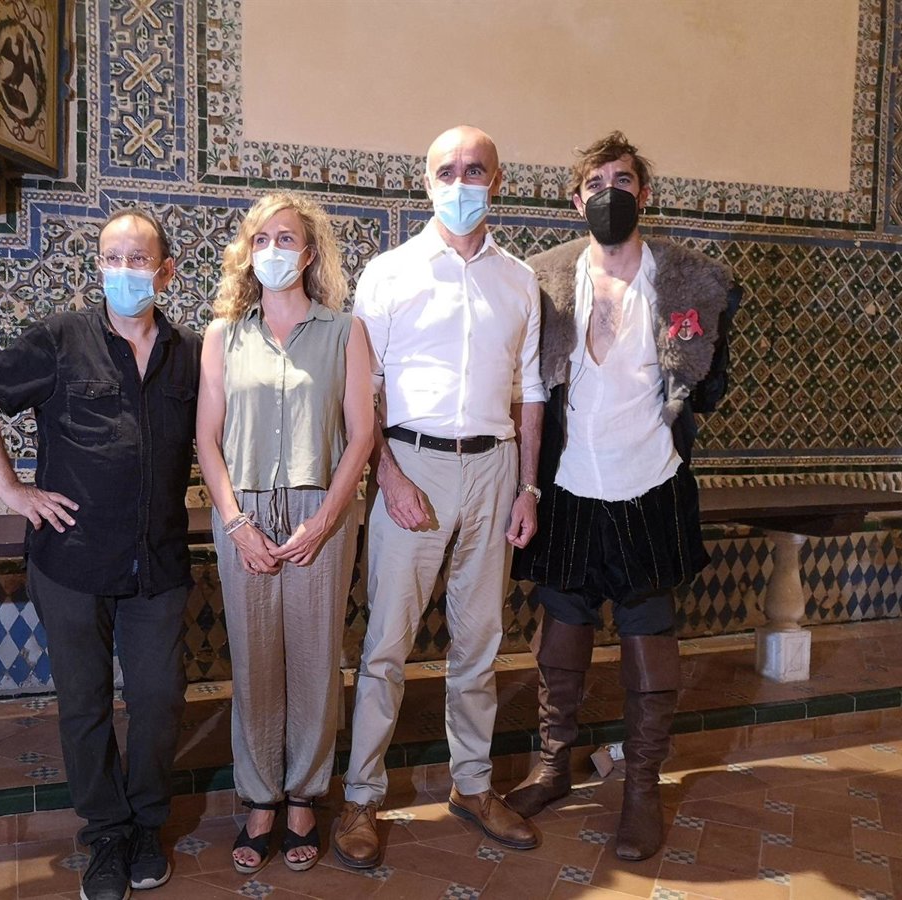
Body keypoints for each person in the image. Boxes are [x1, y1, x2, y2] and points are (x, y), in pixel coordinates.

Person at [0, 209, 201, 900]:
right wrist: (12, 490)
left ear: (165, 271)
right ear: (98, 267)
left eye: (138, 258)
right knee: (84, 704)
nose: (124, 270)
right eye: (111, 258)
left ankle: (147, 823)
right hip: (71, 562)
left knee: (158, 699)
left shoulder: (191, 352)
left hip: (158, 562)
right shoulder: (62, 338)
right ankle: (106, 833)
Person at [507, 131, 740, 861]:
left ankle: (642, 786)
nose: (609, 193)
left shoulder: (693, 282)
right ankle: (553, 764)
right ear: (575, 199)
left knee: (649, 638)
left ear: (645, 193)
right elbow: (525, 387)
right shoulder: (542, 279)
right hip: (568, 483)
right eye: (596, 182)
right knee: (560, 634)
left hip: (651, 483)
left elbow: (710, 386)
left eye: (623, 180)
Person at [332, 125, 545, 870]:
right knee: (386, 644)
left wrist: (528, 487)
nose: (461, 183)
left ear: (497, 181)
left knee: (479, 641)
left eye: (475, 170)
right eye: (447, 171)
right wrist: (387, 474)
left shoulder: (519, 281)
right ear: (426, 183)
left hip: (495, 466)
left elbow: (531, 392)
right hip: (412, 463)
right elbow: (363, 390)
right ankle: (361, 796)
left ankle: (473, 785)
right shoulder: (389, 274)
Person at [196, 192, 374, 874]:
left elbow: (361, 435)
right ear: (248, 252)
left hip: (318, 509)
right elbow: (207, 439)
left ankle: (304, 795)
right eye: (262, 239)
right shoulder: (223, 336)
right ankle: (259, 798)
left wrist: (325, 519)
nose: (274, 250)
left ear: (309, 252)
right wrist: (235, 522)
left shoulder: (344, 331)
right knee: (253, 660)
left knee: (314, 659)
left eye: (288, 238)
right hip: (242, 511)